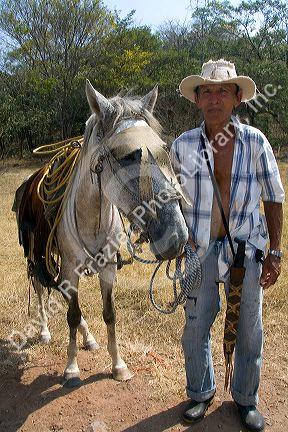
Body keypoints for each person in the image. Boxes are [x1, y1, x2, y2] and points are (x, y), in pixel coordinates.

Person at [170, 59, 285, 432]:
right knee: (195, 327)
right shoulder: (182, 146)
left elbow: (274, 198)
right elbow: (168, 198)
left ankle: (246, 399)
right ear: (197, 99)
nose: (214, 98)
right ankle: (200, 392)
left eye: (223, 91)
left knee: (250, 329)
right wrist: (176, 236)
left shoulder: (255, 142)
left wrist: (276, 251)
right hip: (199, 251)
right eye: (207, 91)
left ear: (237, 98)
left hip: (247, 250)